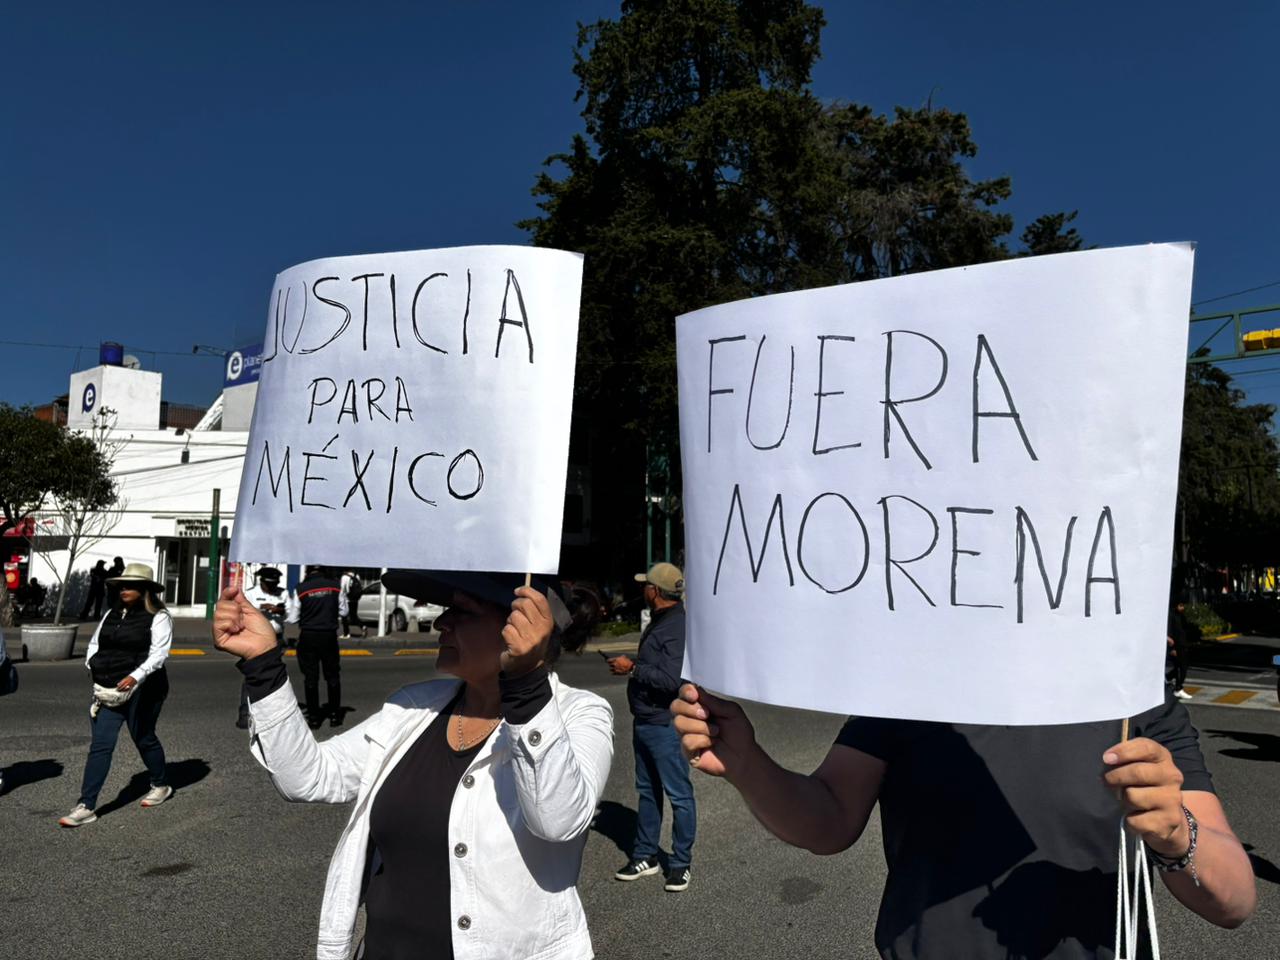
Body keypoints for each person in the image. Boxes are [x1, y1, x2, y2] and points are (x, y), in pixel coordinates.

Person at [672, 683, 1258, 958]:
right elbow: (828, 819)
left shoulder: (1135, 703)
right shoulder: (911, 688)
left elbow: (1234, 900)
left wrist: (1177, 835)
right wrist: (747, 763)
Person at [212, 569, 613, 960]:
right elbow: (309, 776)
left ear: (523, 625)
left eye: (462, 611)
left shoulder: (579, 715)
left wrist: (526, 683)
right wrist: (263, 664)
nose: (441, 622)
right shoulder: (415, 706)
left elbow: (558, 820)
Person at [60, 563, 174, 827]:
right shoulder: (111, 613)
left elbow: (159, 654)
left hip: (145, 689)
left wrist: (136, 676)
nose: (124, 589)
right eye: (122, 585)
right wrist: (93, 665)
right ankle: (86, 806)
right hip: (109, 688)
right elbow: (95, 644)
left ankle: (160, 784)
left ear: (144, 590)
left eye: (130, 586)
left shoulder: (159, 616)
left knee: (143, 737)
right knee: (101, 745)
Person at [607, 561, 696, 892]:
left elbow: (671, 680)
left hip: (663, 724)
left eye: (646, 584)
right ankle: (645, 856)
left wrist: (632, 669)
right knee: (647, 791)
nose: (643, 588)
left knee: (679, 795)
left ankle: (680, 864)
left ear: (654, 591)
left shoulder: (676, 626)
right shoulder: (663, 620)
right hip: (645, 720)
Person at [236, 567, 294, 729]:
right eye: (269, 584)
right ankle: (245, 714)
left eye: (275, 584)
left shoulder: (283, 593)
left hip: (276, 639)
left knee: (273, 676)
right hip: (255, 638)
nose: (272, 587)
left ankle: (270, 715)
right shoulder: (251, 594)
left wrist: (280, 610)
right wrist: (260, 609)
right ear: (262, 582)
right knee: (253, 675)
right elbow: (241, 613)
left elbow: (292, 615)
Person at [292, 566, 343, 728]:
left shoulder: (301, 588)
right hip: (329, 635)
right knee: (332, 675)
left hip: (309, 636)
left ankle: (314, 718)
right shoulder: (336, 586)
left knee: (311, 677)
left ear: (308, 571)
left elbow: (293, 618)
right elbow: (344, 611)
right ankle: (335, 716)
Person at [1168, 593, 1199, 700]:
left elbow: (1185, 629)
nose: (1182, 608)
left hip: (1183, 645)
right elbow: (1169, 633)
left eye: (1183, 605)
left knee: (1180, 667)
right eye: (1180, 605)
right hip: (1176, 646)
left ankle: (1169, 679)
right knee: (1182, 669)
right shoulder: (1171, 616)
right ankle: (1178, 689)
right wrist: (1171, 649)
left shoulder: (1181, 616)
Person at [339, 569, 367, 639]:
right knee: (353, 616)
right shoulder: (357, 576)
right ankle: (363, 626)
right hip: (355, 599)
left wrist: (340, 599)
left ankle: (346, 634)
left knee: (344, 616)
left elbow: (343, 589)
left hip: (347, 599)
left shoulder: (344, 577)